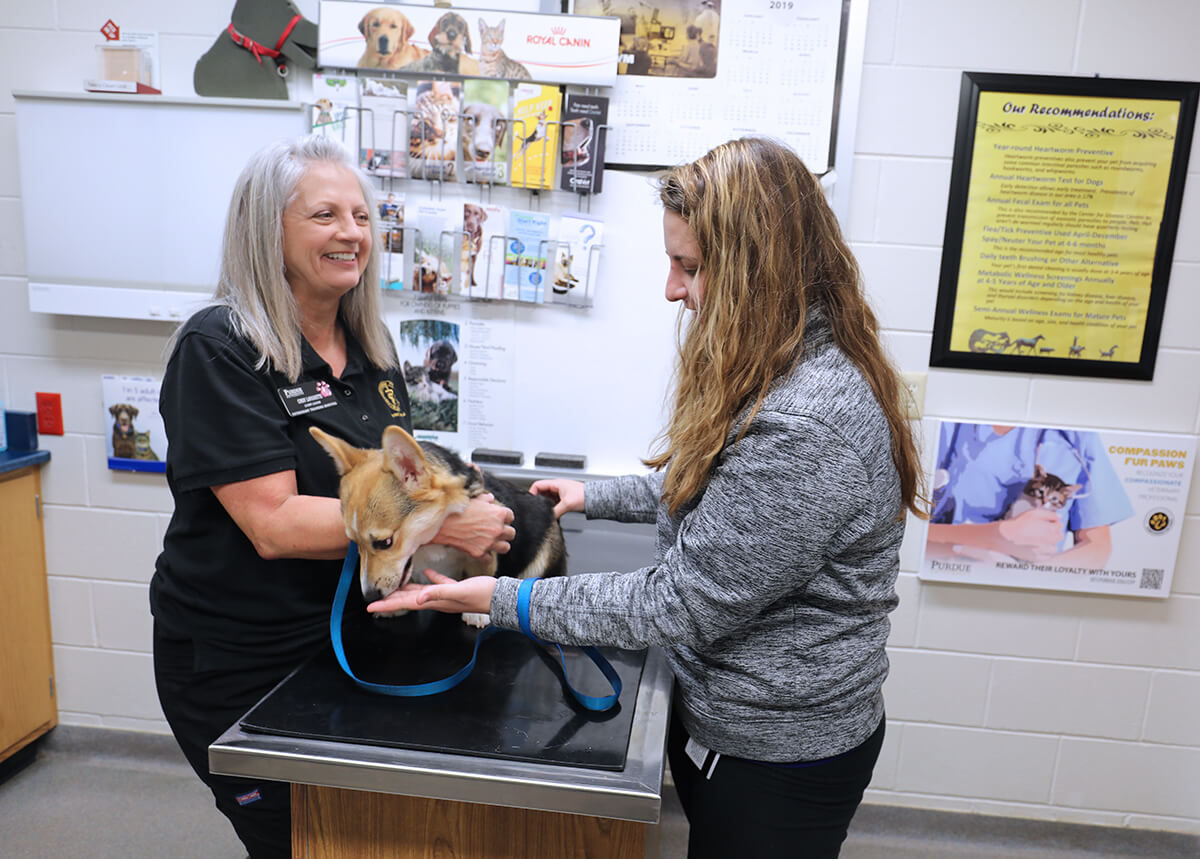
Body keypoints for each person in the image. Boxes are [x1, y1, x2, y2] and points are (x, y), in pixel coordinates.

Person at [367, 137, 926, 858]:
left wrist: (498, 598)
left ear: (761, 269)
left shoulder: (809, 420)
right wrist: (599, 496)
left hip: (779, 753)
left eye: (689, 266)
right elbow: (732, 492)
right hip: (734, 722)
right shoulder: (783, 358)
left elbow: (681, 601)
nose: (671, 288)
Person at [149, 135, 514, 859]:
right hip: (241, 660)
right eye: (324, 215)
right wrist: (444, 517)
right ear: (268, 229)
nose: (352, 233)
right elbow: (274, 523)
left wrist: (470, 504)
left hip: (343, 641)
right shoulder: (222, 347)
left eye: (360, 215)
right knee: (301, 842)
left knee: (369, 836)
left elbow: (404, 481)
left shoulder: (372, 349)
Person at [926, 422, 1132, 567]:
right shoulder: (945, 423)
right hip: (945, 577)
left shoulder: (1074, 435)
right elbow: (904, 536)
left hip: (1028, 597)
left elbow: (1097, 549)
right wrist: (995, 537)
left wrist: (1023, 577)